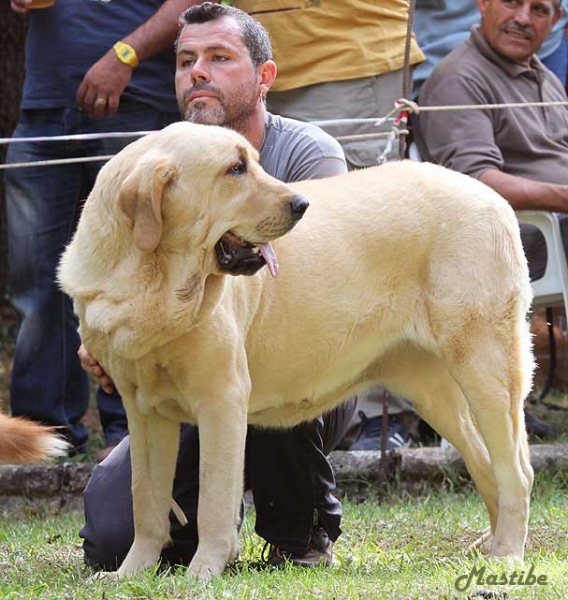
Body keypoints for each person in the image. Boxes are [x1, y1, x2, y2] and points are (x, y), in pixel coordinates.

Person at [79, 3, 356, 571]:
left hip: (300, 362)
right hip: (184, 382)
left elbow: (306, 287)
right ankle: (183, 532)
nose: (197, 72)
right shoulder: (160, 165)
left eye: (219, 58)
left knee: (267, 369)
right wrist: (112, 339)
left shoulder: (306, 154)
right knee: (109, 541)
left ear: (264, 77)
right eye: (185, 60)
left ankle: (300, 531)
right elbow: (122, 272)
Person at [6, 0, 197, 458]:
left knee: (134, 276)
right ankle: (44, 441)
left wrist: (124, 55)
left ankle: (132, 433)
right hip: (45, 105)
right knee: (37, 283)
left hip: (134, 106)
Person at [415, 0, 567, 436]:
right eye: (511, 2)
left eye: (539, 9)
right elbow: (475, 182)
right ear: (481, 4)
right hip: (514, 235)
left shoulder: (545, 76)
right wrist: (563, 197)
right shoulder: (461, 78)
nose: (523, 18)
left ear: (555, 21)